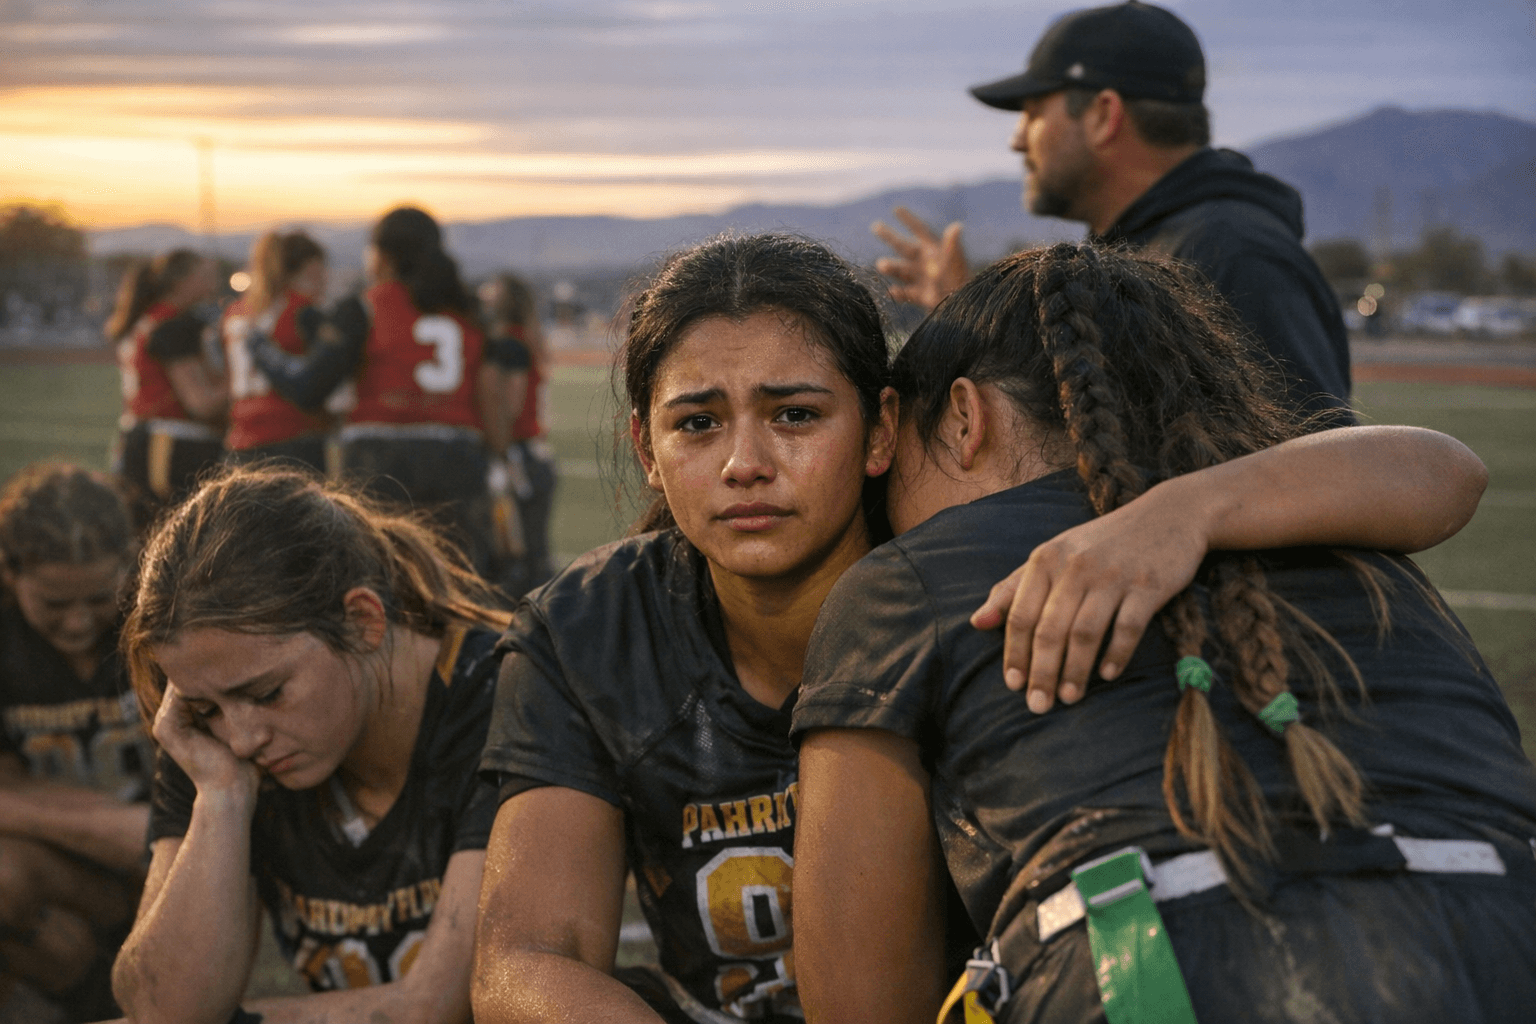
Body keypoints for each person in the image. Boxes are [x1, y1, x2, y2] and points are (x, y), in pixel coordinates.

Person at [470, 233, 1487, 1024]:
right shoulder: (588, 625)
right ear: (645, 448)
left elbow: (1433, 471)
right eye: (697, 422)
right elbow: (523, 960)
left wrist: (1183, 511)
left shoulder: (985, 571)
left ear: (881, 429)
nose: (744, 461)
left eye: (793, 415)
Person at [790, 243, 1535, 1024]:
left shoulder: (906, 581)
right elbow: (1448, 469)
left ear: (966, 418)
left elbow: (861, 1005)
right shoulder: (1366, 543)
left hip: (1149, 970)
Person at [110, 465, 511, 1024]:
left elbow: (435, 1007)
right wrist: (221, 796)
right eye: (205, 709)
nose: (243, 738)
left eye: (269, 693)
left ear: (363, 621)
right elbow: (166, 1007)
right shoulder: (218, 729)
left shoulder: (499, 696)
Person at [872, 1, 1353, 423]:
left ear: (1104, 114)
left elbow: (1316, 475)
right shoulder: (1139, 250)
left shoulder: (1232, 254)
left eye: (1034, 112)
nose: (1017, 139)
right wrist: (969, 316)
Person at [246, 206, 502, 574]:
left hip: (380, 458)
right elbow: (489, 394)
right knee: (460, 581)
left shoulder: (365, 307)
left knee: (379, 581)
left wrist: (259, 348)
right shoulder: (468, 311)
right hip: (457, 456)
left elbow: (308, 388)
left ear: (382, 254)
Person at [0, 465, 152, 1022]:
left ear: (130, 563)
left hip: (168, 871)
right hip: (80, 861)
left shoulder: (160, 614)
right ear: (10, 573)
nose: (78, 621)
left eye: (95, 597)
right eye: (54, 604)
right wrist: (119, 828)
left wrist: (158, 842)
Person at [107, 249, 228, 508]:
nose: (213, 281)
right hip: (173, 446)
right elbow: (201, 403)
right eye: (204, 274)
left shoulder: (150, 318)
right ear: (180, 280)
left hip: (143, 440)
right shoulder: (173, 325)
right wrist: (245, 383)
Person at [221, 230, 335, 474]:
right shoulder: (301, 312)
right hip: (293, 437)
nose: (325, 280)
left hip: (240, 438)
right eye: (319, 271)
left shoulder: (235, 312)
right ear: (303, 272)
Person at [478, 273, 558, 598]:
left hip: (516, 457)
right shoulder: (526, 340)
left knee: (516, 558)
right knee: (533, 555)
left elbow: (508, 410)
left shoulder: (509, 344)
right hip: (533, 453)